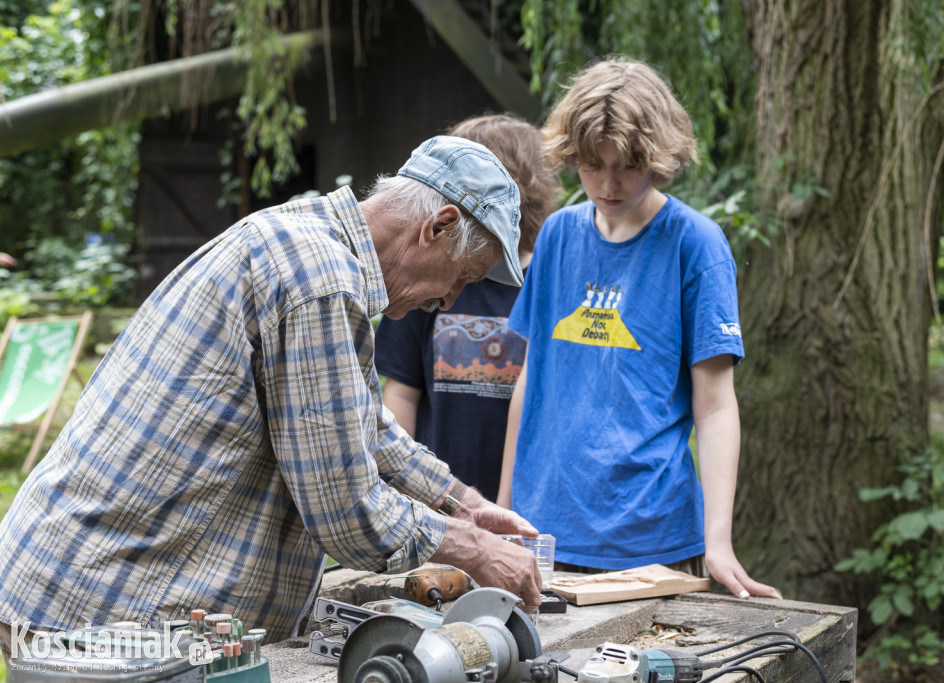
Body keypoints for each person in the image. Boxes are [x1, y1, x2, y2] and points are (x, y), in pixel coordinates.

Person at [0, 135, 544, 662]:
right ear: (439, 226)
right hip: (101, 608)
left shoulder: (307, 238)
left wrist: (468, 506)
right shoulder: (320, 280)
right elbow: (346, 511)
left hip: (88, 589)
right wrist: (471, 549)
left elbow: (361, 425)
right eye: (460, 277)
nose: (447, 300)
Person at [497, 56, 781, 600]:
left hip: (653, 540)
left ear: (658, 157)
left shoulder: (695, 244)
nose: (607, 184)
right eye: (590, 166)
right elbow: (530, 380)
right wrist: (504, 510)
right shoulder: (555, 235)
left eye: (625, 166)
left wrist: (717, 541)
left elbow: (717, 404)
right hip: (544, 533)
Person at [375, 114, 561, 501]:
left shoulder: (550, 275)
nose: (452, 294)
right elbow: (402, 394)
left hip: (527, 496)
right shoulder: (422, 280)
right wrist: (403, 494)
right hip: (438, 488)